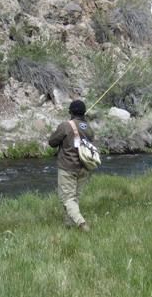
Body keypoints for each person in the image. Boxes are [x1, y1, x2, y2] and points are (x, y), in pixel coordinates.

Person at [48, 99, 95, 232]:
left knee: (68, 199)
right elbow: (91, 138)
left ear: (71, 112)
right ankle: (68, 224)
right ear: (84, 113)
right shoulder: (88, 127)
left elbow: (52, 142)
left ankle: (82, 224)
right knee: (75, 198)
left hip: (67, 168)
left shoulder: (65, 126)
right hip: (84, 168)